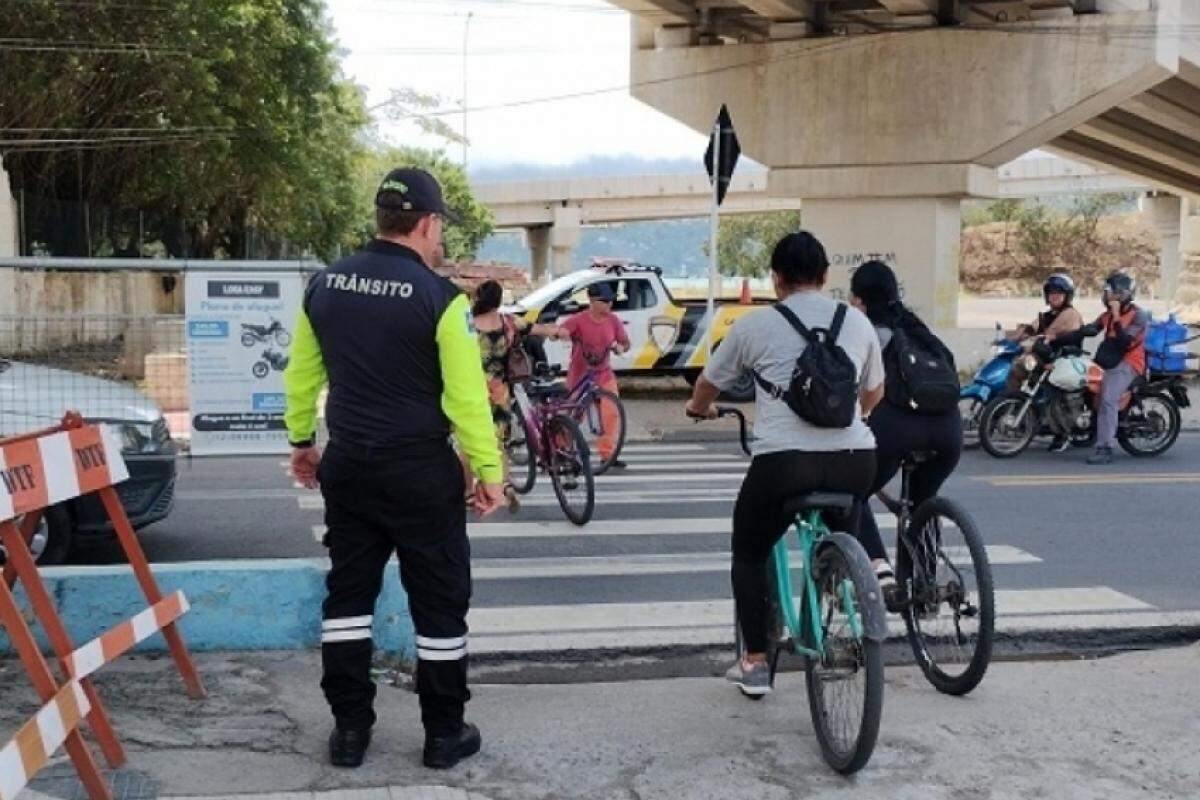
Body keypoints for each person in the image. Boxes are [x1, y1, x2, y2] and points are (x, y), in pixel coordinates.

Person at [284, 168, 503, 771]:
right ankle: (443, 734)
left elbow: (302, 375)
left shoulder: (323, 287)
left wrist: (303, 440)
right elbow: (466, 400)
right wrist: (488, 472)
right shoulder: (442, 299)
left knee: (349, 597)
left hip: (349, 464)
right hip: (420, 471)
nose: (440, 242)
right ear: (428, 223)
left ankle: (350, 731)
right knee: (439, 602)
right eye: (440, 230)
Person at [685, 231, 885, 697]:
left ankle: (756, 660)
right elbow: (875, 391)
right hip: (855, 459)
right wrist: (856, 415)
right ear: (826, 277)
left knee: (749, 551)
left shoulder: (755, 326)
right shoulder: (856, 323)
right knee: (846, 522)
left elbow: (708, 385)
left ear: (776, 279)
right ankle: (848, 584)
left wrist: (698, 409)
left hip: (783, 464)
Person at [849, 260, 962, 605]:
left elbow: (857, 389)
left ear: (859, 301)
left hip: (896, 429)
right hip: (948, 432)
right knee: (921, 502)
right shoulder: (919, 330)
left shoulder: (864, 331)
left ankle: (882, 572)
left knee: (852, 495)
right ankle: (925, 586)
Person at [470, 279, 564, 510]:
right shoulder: (508, 322)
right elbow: (535, 328)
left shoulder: (468, 323)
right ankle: (504, 484)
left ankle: (473, 488)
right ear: (499, 300)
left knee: (471, 440)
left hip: (474, 388)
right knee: (498, 440)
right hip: (500, 390)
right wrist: (557, 331)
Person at [1056, 270, 1149, 466]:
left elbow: (1125, 342)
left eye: (1110, 292)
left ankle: (1105, 447)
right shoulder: (1106, 315)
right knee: (1083, 384)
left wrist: (1116, 317)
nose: (1106, 295)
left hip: (1129, 363)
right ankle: (1088, 432)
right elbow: (1089, 330)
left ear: (1122, 295)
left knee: (1108, 399)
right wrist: (1055, 339)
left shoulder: (1138, 316)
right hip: (1109, 360)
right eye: (1106, 291)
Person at [1005, 273, 1083, 451]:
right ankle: (1013, 409)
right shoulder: (1047, 315)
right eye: (1051, 292)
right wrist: (1011, 338)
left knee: (1054, 392)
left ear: (1067, 296)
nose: (1054, 296)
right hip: (1047, 358)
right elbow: (1030, 329)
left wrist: (1034, 340)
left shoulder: (1070, 315)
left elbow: (1049, 335)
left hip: (1064, 361)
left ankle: (1063, 433)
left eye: (1058, 293)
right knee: (1018, 368)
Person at [559, 282, 631, 468]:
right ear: (592, 300)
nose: (609, 305)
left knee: (610, 413)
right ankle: (562, 449)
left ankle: (607, 454)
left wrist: (619, 347)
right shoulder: (579, 319)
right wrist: (563, 335)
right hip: (580, 375)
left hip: (603, 373)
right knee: (573, 414)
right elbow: (563, 330)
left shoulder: (613, 320)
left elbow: (625, 342)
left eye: (611, 301)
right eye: (604, 301)